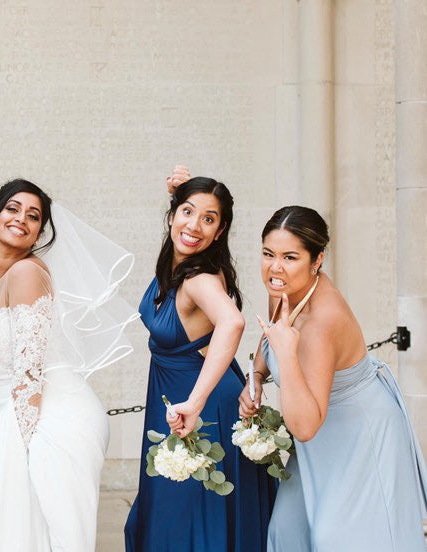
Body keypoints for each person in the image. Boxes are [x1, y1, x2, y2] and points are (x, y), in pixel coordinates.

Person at [0, 179, 139, 551]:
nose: (21, 220)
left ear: (38, 232)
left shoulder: (28, 273)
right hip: (8, 413)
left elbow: (29, 370)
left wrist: (20, 446)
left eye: (34, 216)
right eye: (12, 209)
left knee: (12, 524)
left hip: (50, 413)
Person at [241, 205, 427, 551]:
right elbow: (272, 334)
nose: (275, 267)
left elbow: (305, 426)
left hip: (360, 434)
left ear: (317, 260)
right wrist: (254, 375)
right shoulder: (282, 288)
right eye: (268, 254)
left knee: (340, 540)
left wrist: (284, 355)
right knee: (287, 531)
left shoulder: (321, 324)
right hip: (316, 437)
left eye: (290, 257)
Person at [125, 167, 276, 552]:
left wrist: (195, 402)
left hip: (201, 404)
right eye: (187, 212)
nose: (194, 225)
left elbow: (233, 322)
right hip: (177, 396)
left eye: (209, 219)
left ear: (220, 232)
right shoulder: (178, 267)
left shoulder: (199, 278)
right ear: (172, 215)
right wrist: (179, 191)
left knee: (189, 514)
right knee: (176, 508)